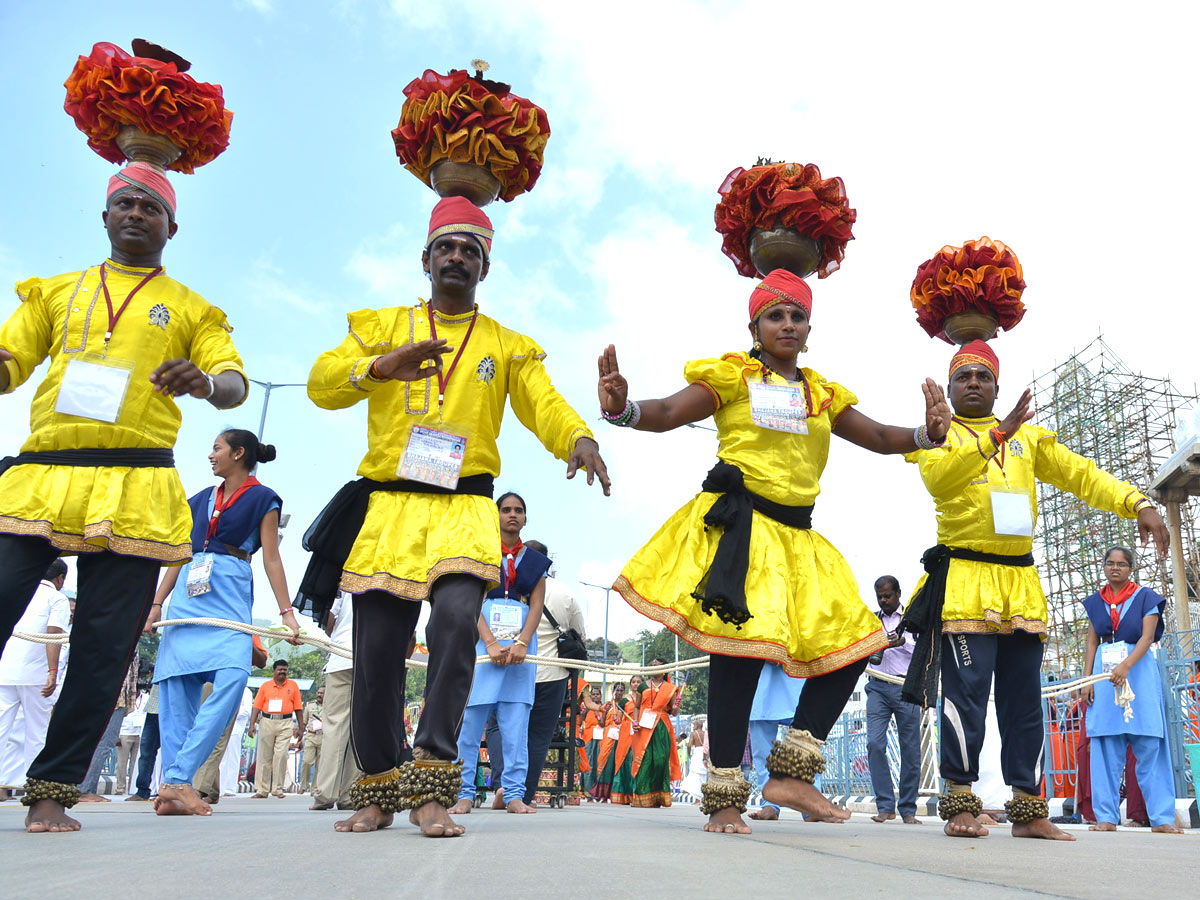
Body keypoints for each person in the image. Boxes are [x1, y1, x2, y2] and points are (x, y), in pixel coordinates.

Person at [298, 196, 608, 838]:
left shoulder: (506, 344)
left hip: (468, 505)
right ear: (426, 258)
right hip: (390, 504)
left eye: (472, 250)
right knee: (377, 651)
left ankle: (436, 778)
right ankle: (380, 785)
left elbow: (543, 404)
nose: (458, 257)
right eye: (448, 247)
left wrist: (578, 438)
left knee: (459, 622)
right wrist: (382, 366)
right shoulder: (382, 325)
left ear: (485, 268)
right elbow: (323, 383)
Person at [602, 269, 951, 834]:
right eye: (776, 316)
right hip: (741, 533)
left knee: (857, 641)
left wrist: (926, 435)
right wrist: (624, 410)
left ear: (809, 330)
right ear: (755, 328)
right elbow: (667, 412)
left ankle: (792, 773)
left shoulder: (821, 393)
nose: (787, 325)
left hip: (799, 539)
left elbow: (884, 437)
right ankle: (722, 798)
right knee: (734, 658)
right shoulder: (734, 376)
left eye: (797, 317)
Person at [0, 162, 249, 832]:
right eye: (125, 204)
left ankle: (52, 789)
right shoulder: (55, 291)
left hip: (137, 483)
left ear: (173, 226)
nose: (137, 214)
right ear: (105, 216)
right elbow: (9, 362)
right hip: (43, 474)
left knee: (105, 646)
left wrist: (205, 382)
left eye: (151, 207)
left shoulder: (193, 307)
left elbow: (233, 383)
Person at [900, 340, 1171, 841]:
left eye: (983, 375)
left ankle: (1028, 808)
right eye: (964, 377)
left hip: (1020, 584)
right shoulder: (939, 435)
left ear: (998, 387)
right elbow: (940, 481)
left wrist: (1137, 503)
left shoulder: (1030, 439)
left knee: (1025, 698)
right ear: (952, 388)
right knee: (966, 696)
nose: (974, 383)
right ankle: (960, 800)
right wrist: (994, 436)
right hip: (964, 580)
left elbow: (1083, 475)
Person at [143, 430, 298, 815]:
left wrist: (286, 612)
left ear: (238, 453)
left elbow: (272, 558)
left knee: (230, 684)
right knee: (176, 693)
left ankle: (178, 778)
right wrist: (157, 603)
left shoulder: (264, 498)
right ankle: (175, 787)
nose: (210, 455)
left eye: (217, 448)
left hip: (229, 591)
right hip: (186, 598)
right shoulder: (197, 500)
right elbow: (179, 555)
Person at [453, 492, 549, 815]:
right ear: (495, 515)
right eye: (505, 509)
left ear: (525, 518)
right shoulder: (480, 553)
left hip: (520, 650)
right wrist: (490, 642)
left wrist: (522, 641)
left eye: (518, 510)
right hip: (482, 647)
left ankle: (513, 794)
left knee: (515, 726)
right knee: (469, 723)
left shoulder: (535, 563)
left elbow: (537, 605)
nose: (512, 515)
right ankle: (464, 792)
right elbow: (471, 602)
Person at [1081, 546, 1183, 834]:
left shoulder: (1146, 598)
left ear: (1131, 568)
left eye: (1122, 564)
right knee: (1104, 746)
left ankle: (1161, 818)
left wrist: (1125, 666)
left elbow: (1148, 637)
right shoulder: (1095, 602)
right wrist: (1087, 679)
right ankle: (1106, 818)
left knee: (1150, 744)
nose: (1116, 568)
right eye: (1110, 563)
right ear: (1104, 566)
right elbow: (1092, 642)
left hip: (1138, 674)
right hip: (1104, 676)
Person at [518, 539, 585, 806]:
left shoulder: (515, 588)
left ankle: (505, 788)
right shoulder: (564, 593)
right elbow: (580, 635)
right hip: (553, 676)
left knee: (512, 732)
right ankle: (525, 795)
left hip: (516, 671)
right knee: (539, 737)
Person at [0, 560, 70, 794]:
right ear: (60, 578)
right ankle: (36, 787)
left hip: (6, 671)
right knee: (37, 733)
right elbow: (53, 634)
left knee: (1, 731)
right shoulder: (56, 598)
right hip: (36, 674)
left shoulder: (20, 592)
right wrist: (52, 671)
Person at [865, 575, 922, 824]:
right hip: (877, 687)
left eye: (887, 595)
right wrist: (879, 645)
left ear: (898, 593)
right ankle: (885, 806)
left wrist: (899, 644)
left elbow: (921, 650)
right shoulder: (871, 621)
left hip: (906, 686)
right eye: (879, 596)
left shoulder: (911, 620)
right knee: (874, 744)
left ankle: (908, 809)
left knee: (910, 749)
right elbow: (862, 654)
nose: (883, 600)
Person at [193, 633, 268, 804]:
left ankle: (198, 789)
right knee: (200, 735)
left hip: (229, 682)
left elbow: (262, 661)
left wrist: (244, 641)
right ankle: (211, 789)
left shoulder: (244, 629)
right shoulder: (207, 622)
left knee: (218, 737)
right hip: (201, 681)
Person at [312, 593, 360, 810]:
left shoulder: (346, 576)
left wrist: (340, 634)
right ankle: (351, 795)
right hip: (374, 659)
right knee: (360, 730)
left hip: (341, 656)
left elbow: (328, 619)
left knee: (334, 727)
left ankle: (325, 793)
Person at [746, 663, 804, 821]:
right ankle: (771, 802)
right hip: (759, 668)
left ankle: (810, 804)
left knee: (806, 740)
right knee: (762, 749)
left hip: (797, 666)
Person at [247, 660, 305, 799]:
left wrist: (301, 728)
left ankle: (278, 789)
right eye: (279, 670)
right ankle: (262, 790)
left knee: (281, 755)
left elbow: (298, 708)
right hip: (267, 721)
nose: (282, 672)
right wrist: (251, 725)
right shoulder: (265, 686)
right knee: (264, 756)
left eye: (285, 670)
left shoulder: (293, 686)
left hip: (285, 722)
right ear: (274, 671)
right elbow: (256, 707)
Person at [629, 660, 683, 807]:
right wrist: (635, 721)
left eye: (657, 665)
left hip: (661, 726)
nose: (653, 668)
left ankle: (659, 797)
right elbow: (637, 707)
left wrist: (677, 706)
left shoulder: (671, 688)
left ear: (665, 670)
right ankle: (641, 797)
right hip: (644, 726)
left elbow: (673, 712)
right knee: (644, 760)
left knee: (660, 761)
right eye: (652, 665)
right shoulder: (643, 686)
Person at [591, 682, 627, 801]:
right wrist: (598, 716)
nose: (619, 692)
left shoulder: (626, 704)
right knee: (605, 764)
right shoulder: (609, 705)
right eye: (617, 690)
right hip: (608, 737)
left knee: (616, 764)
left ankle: (615, 794)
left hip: (621, 737)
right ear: (613, 692)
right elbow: (602, 723)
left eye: (622, 690)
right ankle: (603, 795)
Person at [300, 687, 326, 794]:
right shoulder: (309, 706)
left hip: (324, 737)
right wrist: (300, 735)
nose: (319, 695)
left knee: (320, 765)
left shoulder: (330, 706)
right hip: (311, 735)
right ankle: (303, 786)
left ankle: (315, 788)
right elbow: (304, 722)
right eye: (318, 692)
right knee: (306, 761)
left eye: (322, 693)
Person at [680, 718, 709, 799]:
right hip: (703, 754)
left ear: (697, 726)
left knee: (695, 775)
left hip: (696, 753)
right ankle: (701, 797)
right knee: (702, 775)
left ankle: (697, 799)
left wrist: (689, 754)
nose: (693, 726)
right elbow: (707, 746)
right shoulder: (705, 733)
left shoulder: (693, 734)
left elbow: (689, 745)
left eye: (694, 725)